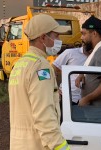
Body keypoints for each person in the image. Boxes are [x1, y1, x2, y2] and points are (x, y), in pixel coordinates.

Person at [8, 14, 70, 150]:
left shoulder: (20, 64)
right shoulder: (41, 66)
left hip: (19, 143)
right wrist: (60, 146)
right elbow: (44, 115)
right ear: (43, 38)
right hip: (37, 144)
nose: (59, 40)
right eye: (56, 36)